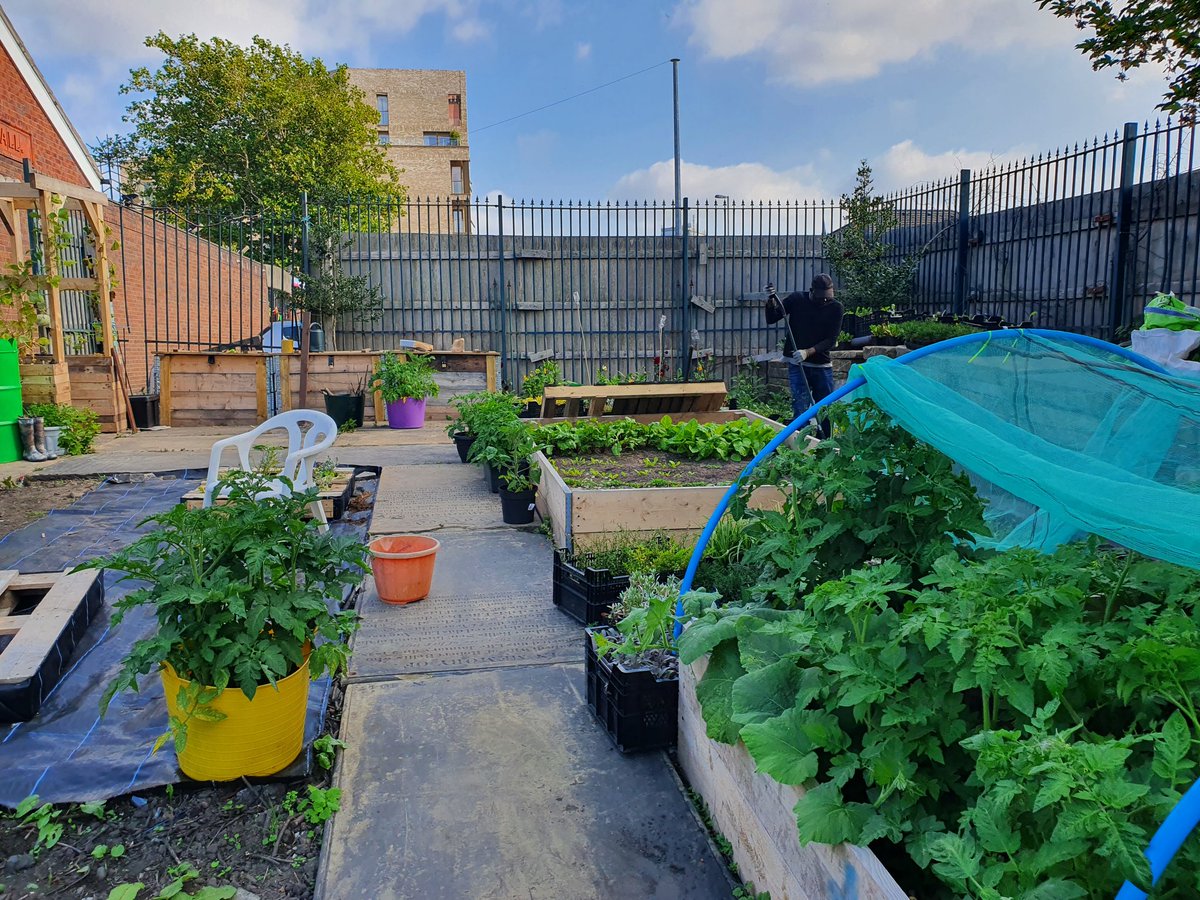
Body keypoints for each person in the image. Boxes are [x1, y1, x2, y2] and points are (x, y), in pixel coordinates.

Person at [765, 273, 844, 437]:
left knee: (824, 408)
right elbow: (772, 318)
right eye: (821, 297)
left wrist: (808, 352)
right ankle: (802, 445)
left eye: (827, 297)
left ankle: (825, 443)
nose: (824, 301)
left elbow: (831, 339)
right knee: (800, 407)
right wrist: (771, 300)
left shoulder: (836, 308)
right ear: (811, 291)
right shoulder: (797, 300)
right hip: (797, 365)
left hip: (821, 366)